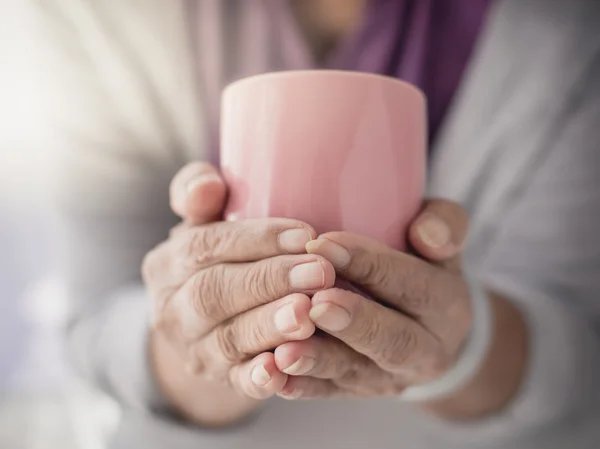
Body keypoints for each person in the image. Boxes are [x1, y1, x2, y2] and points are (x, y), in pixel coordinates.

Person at [36, 0, 600, 448]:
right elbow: (94, 323)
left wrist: (462, 346)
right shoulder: (103, 15)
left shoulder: (564, 23)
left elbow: (581, 350)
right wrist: (196, 340)